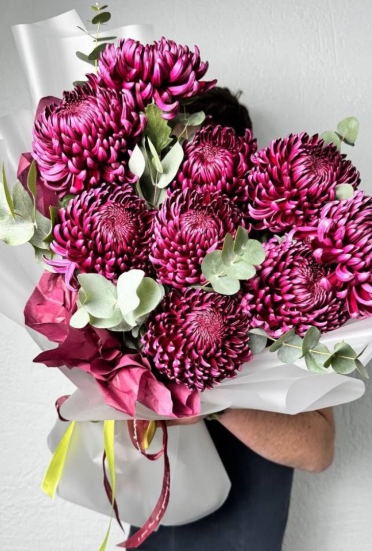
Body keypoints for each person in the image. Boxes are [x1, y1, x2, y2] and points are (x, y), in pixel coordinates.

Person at [128, 88, 336, 551]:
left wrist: (206, 399)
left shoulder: (291, 284)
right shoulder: (130, 276)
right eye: (169, 164)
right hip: (148, 525)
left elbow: (317, 449)